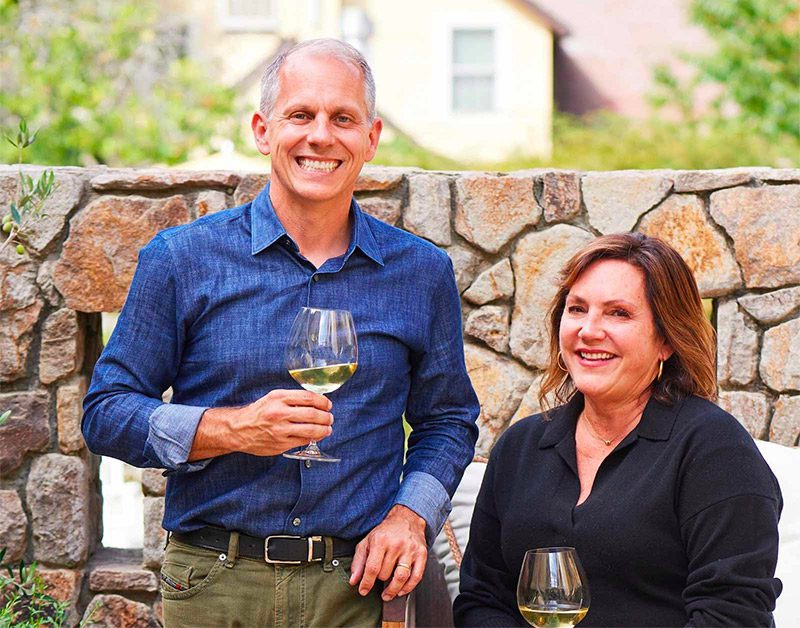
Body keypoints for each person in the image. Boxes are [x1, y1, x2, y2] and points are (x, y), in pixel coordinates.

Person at [82, 38, 479, 627]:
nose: (321, 135)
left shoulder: (420, 273)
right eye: (301, 115)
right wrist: (232, 429)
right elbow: (106, 412)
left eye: (342, 118)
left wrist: (408, 516)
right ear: (264, 131)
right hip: (214, 581)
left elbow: (448, 421)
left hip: (354, 589)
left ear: (369, 139)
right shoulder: (183, 258)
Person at [454, 233, 782, 627]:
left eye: (618, 313)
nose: (589, 330)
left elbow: (733, 615)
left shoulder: (715, 450)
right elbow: (482, 598)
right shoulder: (520, 447)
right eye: (577, 309)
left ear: (666, 340)